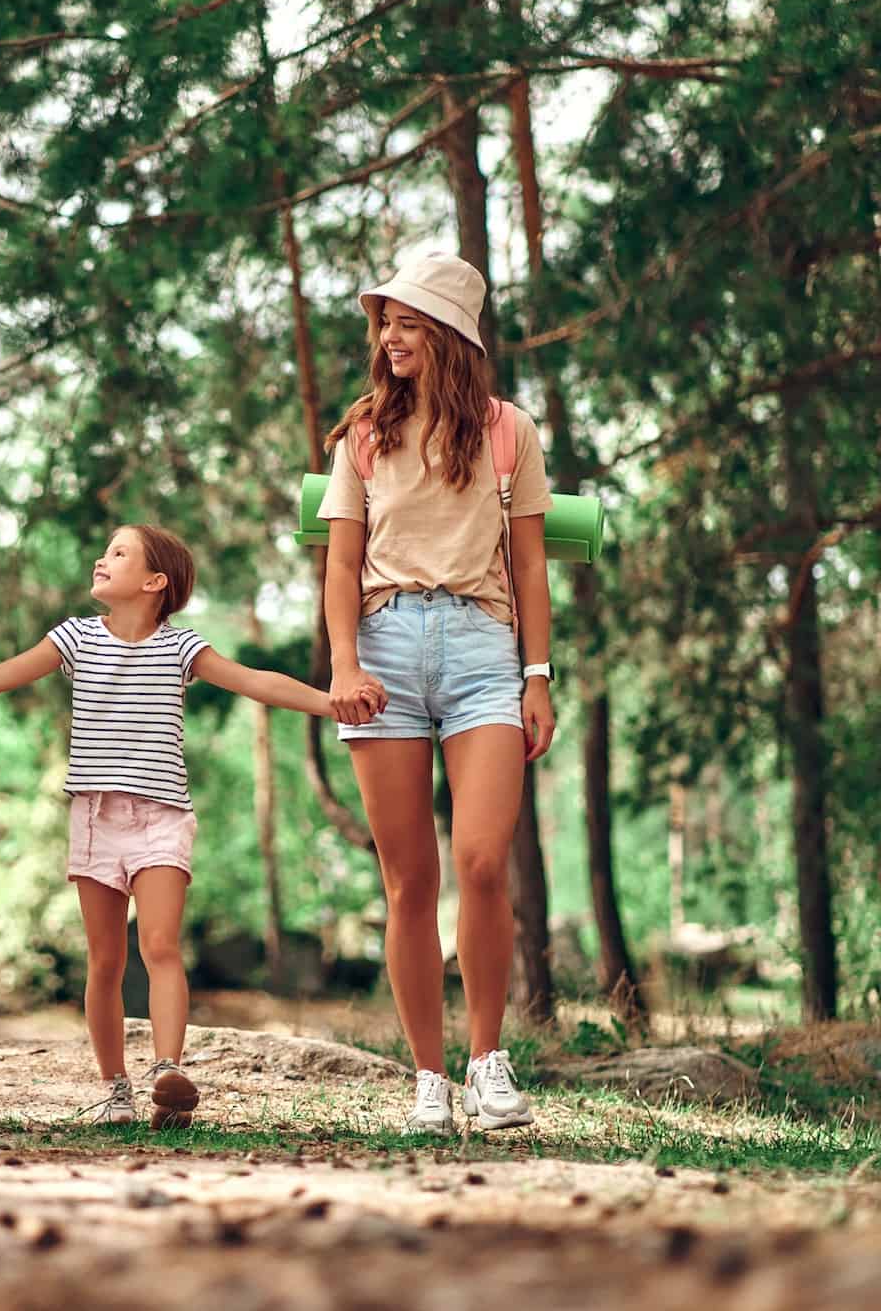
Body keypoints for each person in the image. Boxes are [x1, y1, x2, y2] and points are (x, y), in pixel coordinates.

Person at [0, 525, 381, 1126]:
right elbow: (1, 676)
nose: (103, 560)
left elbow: (256, 682)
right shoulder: (75, 638)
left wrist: (332, 700)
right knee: (105, 960)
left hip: (160, 817)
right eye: (104, 550)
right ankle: (115, 1089)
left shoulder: (181, 648)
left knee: (159, 946)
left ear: (155, 583)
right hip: (95, 817)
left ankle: (167, 1074)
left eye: (119, 553)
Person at [318, 252, 557, 1134]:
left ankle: (488, 1061)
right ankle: (428, 1076)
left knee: (483, 861)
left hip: (483, 649)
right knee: (410, 881)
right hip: (383, 649)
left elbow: (529, 564)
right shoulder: (366, 435)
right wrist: (345, 665)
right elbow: (342, 565)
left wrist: (537, 673)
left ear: (449, 334)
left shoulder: (507, 432)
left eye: (405, 322)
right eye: (384, 322)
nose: (387, 337)